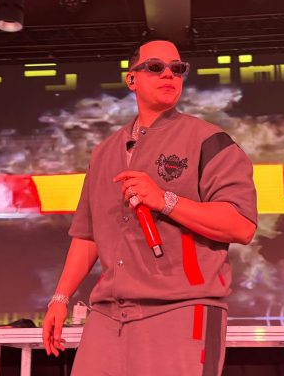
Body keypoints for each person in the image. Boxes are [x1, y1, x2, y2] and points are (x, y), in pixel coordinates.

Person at [42, 38, 258, 376]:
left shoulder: (208, 141)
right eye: (156, 67)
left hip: (181, 308)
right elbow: (87, 234)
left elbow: (241, 225)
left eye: (177, 68)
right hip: (108, 315)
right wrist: (60, 299)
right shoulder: (104, 153)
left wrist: (165, 201)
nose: (169, 74)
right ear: (131, 79)